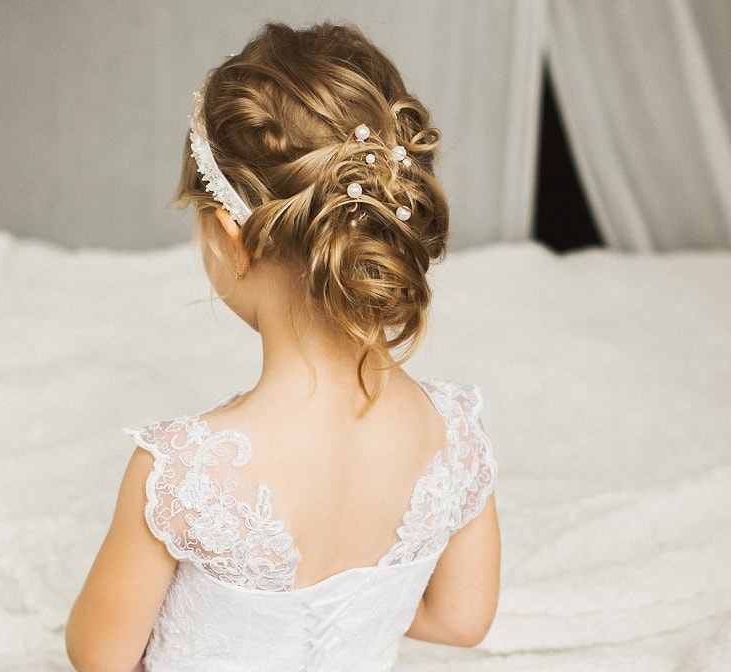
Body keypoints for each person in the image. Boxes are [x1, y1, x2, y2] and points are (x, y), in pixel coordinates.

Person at [65, 22, 499, 672]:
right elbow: (463, 621)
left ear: (229, 238)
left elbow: (99, 656)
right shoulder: (455, 437)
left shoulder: (182, 475)